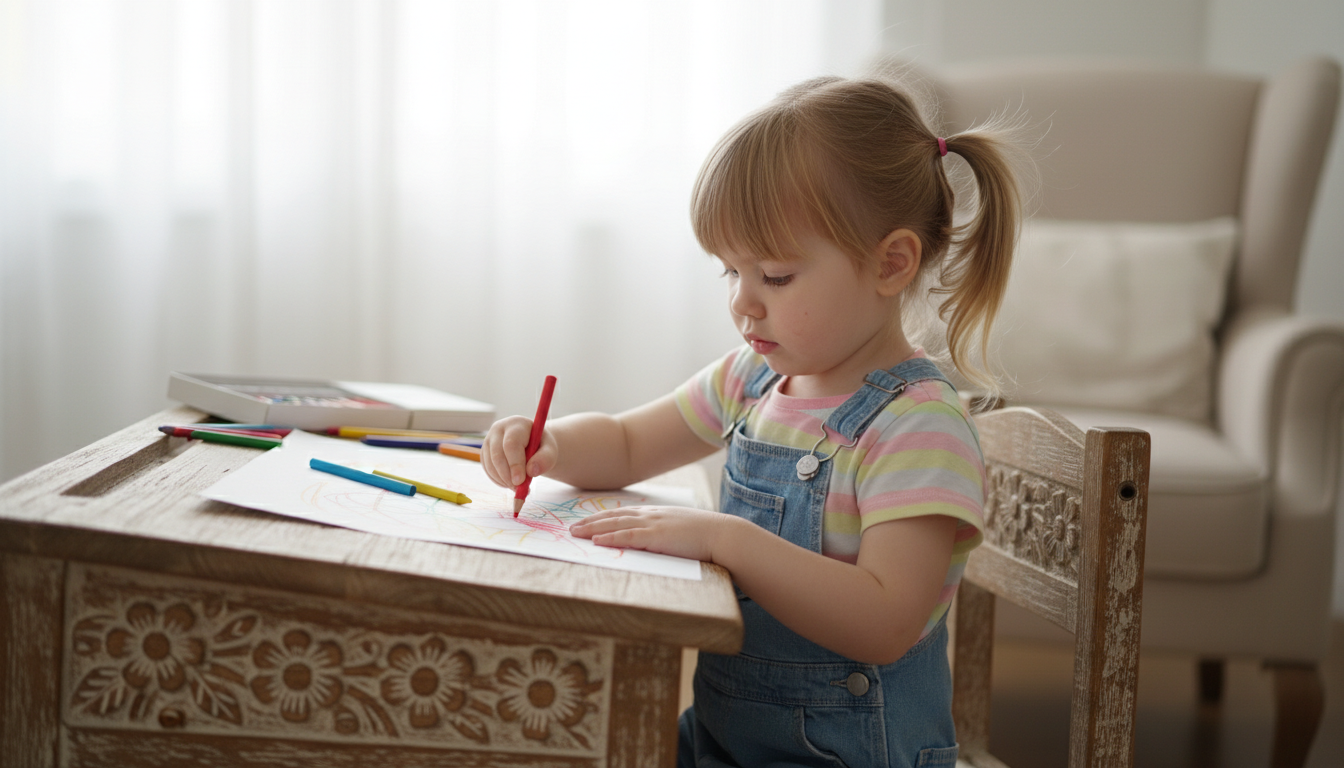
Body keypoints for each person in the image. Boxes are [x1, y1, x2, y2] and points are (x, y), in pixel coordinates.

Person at [482, 74, 1027, 768]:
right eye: (729, 273)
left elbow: (888, 620)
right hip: (721, 737)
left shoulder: (918, 429)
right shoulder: (753, 379)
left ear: (891, 263)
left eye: (774, 276)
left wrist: (728, 540)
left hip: (849, 754)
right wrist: (549, 445)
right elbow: (624, 445)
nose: (744, 304)